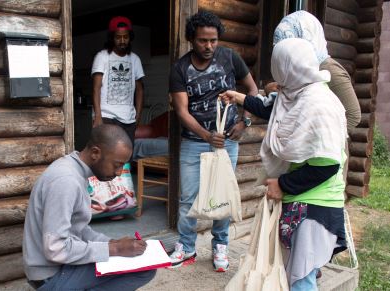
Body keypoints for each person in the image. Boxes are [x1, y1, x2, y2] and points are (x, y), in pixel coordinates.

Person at [221, 38, 348, 290]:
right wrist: (239, 97)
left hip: (317, 206)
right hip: (301, 200)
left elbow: (327, 165)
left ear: (286, 67)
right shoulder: (297, 93)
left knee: (301, 280)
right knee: (294, 277)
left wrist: (283, 184)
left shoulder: (318, 104)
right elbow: (272, 108)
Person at [168, 10, 258, 272]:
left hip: (229, 139)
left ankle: (220, 246)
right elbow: (182, 111)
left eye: (213, 40)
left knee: (223, 195)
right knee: (188, 197)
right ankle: (186, 247)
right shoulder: (180, 69)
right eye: (202, 41)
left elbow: (252, 90)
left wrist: (245, 122)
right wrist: (206, 135)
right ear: (191, 40)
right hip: (194, 142)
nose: (208, 46)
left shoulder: (230, 57)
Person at [22, 124, 156, 290]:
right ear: (95, 153)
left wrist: (112, 242)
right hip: (50, 273)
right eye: (116, 165)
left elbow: (78, 230)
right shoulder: (66, 181)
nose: (120, 172)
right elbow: (55, 248)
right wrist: (114, 249)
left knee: (145, 268)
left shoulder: (75, 171)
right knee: (140, 271)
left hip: (62, 266)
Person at [270, 10, 361, 132]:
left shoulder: (329, 70)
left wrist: (321, 139)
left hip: (322, 148)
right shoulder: (297, 68)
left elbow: (353, 115)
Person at [91, 16, 145, 145]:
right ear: (112, 38)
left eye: (125, 37)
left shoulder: (135, 59)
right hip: (107, 116)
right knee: (106, 157)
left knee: (126, 157)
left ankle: (125, 167)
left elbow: (140, 90)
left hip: (128, 119)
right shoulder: (102, 57)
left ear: (129, 37)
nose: (122, 41)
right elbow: (96, 88)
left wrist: (137, 116)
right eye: (118, 37)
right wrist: (98, 116)